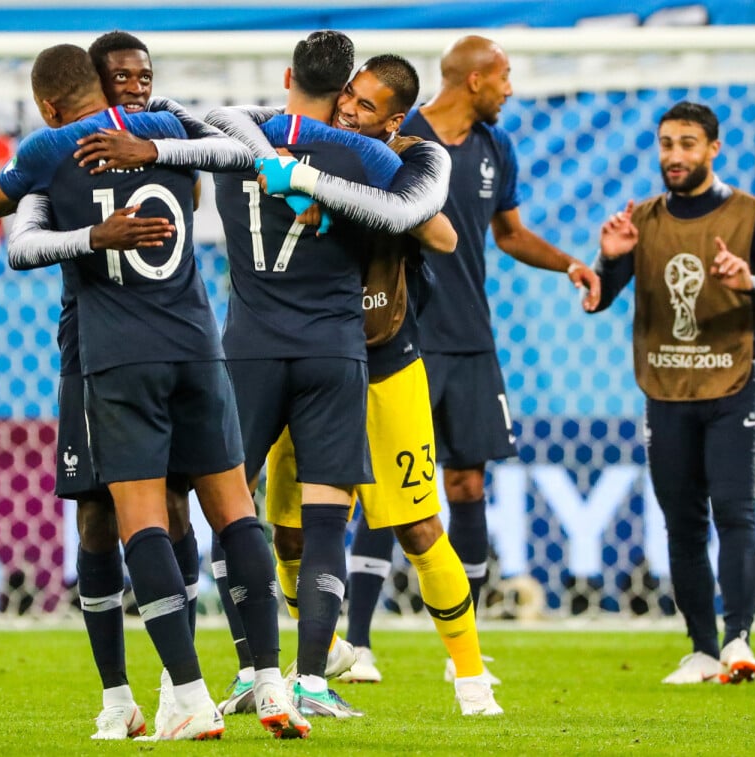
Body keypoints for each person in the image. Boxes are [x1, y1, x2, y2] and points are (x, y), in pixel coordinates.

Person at [0, 43, 308, 740]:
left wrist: (94, 230)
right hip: (187, 346)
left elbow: (2, 222)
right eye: (120, 78)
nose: (134, 87)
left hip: (120, 357)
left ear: (46, 103)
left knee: (151, 521)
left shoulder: (83, 143)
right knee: (209, 512)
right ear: (98, 86)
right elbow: (245, 157)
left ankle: (185, 693)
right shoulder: (165, 136)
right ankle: (217, 687)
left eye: (143, 78)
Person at [250, 54, 504, 716]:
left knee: (419, 526)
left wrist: (372, 203)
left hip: (386, 361)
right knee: (289, 530)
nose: (347, 110)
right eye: (346, 97)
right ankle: (324, 646)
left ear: (394, 119)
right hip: (307, 359)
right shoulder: (298, 142)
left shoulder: (407, 161)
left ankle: (471, 676)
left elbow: (443, 234)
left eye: (364, 105)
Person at [380, 35, 600, 683]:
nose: (511, 87)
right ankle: (358, 643)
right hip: (404, 336)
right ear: (474, 80)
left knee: (467, 483)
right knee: (390, 492)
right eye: (504, 76)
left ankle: (463, 649)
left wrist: (569, 263)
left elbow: (509, 233)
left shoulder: (495, 147)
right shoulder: (400, 139)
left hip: (471, 336)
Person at [205, 30, 403, 719]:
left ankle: (248, 670)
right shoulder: (363, 158)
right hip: (332, 350)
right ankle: (313, 679)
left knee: (233, 513)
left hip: (249, 352)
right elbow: (419, 220)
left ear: (287, 74)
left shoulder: (235, 143)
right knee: (326, 522)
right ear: (348, 92)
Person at [588, 100, 755, 684]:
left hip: (737, 380)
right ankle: (702, 649)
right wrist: (609, 261)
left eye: (688, 144)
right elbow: (598, 298)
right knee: (680, 522)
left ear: (714, 149)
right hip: (666, 384)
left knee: (734, 511)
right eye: (667, 143)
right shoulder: (642, 218)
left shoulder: (750, 215)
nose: (675, 155)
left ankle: (739, 640)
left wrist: (748, 280)